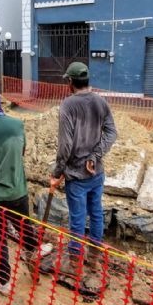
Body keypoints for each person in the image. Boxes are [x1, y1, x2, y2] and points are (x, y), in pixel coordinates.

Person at [0, 87, 52, 295]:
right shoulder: (17, 124)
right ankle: (33, 250)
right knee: (24, 224)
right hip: (17, 191)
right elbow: (22, 151)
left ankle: (3, 281)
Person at [50, 62, 117, 281]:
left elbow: (65, 146)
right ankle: (94, 259)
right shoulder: (101, 101)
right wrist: (96, 156)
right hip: (96, 173)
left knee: (77, 220)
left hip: (76, 176)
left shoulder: (68, 105)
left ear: (70, 81)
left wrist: (57, 172)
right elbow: (111, 133)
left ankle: (75, 264)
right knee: (96, 213)